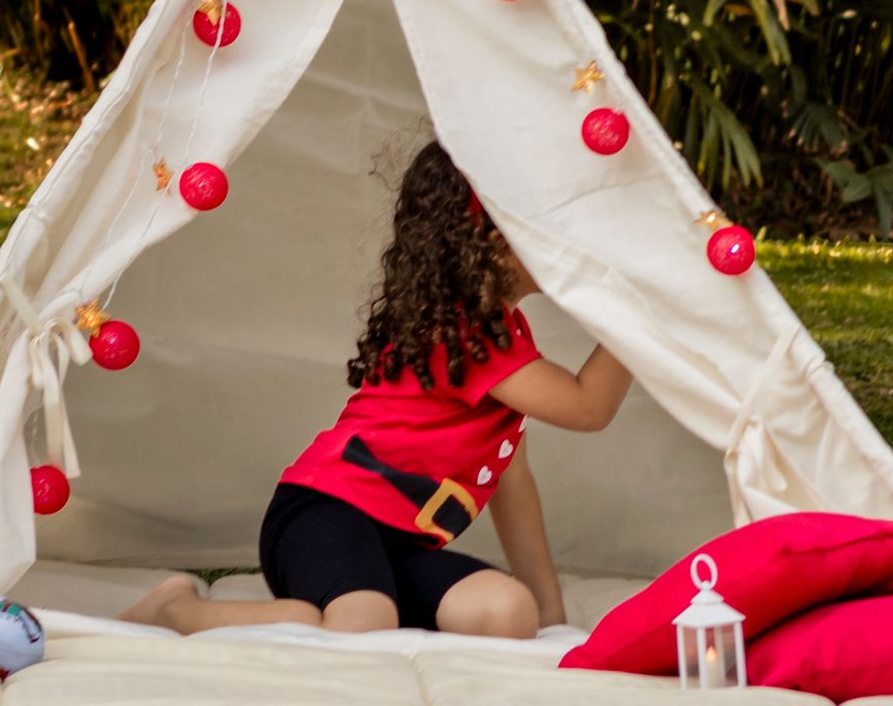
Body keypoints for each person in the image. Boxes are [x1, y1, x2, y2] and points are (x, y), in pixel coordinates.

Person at [121, 142, 634, 635]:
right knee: (361, 624)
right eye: (541, 230)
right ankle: (177, 610)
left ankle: (358, 604)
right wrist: (641, 313)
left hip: (403, 545)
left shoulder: (505, 333)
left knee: (508, 613)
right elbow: (587, 407)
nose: (560, 244)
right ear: (490, 245)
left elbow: (511, 480)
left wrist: (549, 612)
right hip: (323, 514)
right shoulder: (463, 332)